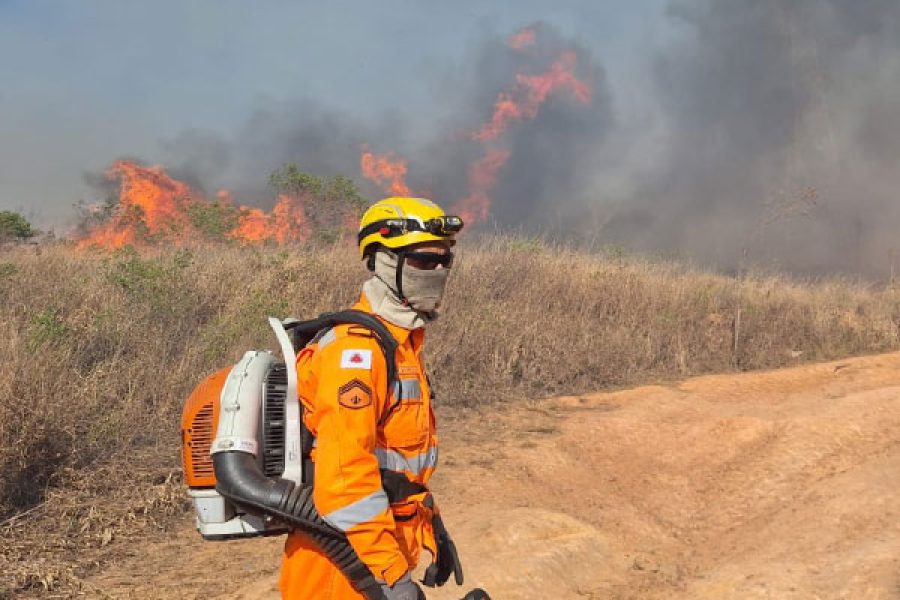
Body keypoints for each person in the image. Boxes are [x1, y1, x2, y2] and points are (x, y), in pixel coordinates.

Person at [279, 197, 465, 600]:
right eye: (423, 260)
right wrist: (392, 578)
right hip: (339, 569)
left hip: (371, 555)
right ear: (383, 261)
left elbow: (397, 466)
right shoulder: (356, 353)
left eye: (443, 261)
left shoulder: (401, 345)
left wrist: (433, 528)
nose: (436, 271)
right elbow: (344, 479)